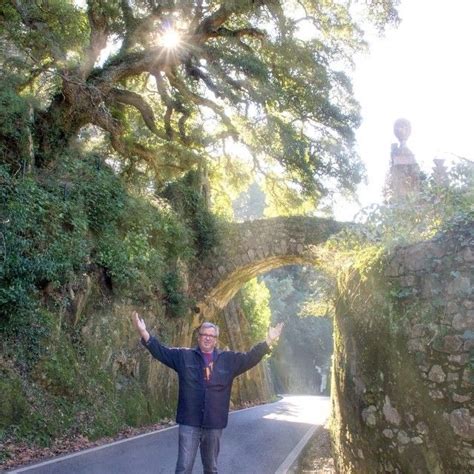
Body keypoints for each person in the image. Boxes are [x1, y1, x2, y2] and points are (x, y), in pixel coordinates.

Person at [132, 311, 283, 474]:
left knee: (211, 468)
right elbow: (161, 352)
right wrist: (143, 332)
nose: (207, 338)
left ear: (216, 339)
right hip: (189, 422)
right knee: (183, 468)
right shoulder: (184, 356)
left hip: (214, 423)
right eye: (204, 334)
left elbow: (250, 358)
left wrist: (268, 341)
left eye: (211, 335)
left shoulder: (229, 359)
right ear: (199, 337)